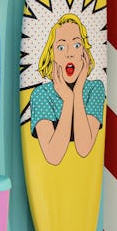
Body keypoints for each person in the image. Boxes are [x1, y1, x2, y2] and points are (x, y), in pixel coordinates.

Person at [28, 14, 103, 165]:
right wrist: (68, 100)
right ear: (52, 55)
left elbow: (84, 148)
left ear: (84, 52)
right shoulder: (41, 95)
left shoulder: (95, 89)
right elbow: (53, 156)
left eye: (76, 45)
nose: (69, 53)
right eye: (61, 47)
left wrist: (77, 92)